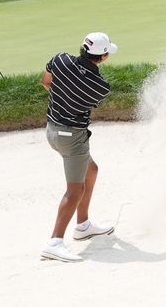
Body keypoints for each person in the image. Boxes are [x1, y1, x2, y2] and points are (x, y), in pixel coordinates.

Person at [40, 32, 117, 263]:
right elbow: (86, 98)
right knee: (75, 190)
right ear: (103, 57)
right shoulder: (100, 86)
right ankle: (54, 242)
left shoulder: (60, 59)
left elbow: (46, 82)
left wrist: (62, 97)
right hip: (72, 138)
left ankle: (83, 225)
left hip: (52, 130)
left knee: (91, 170)